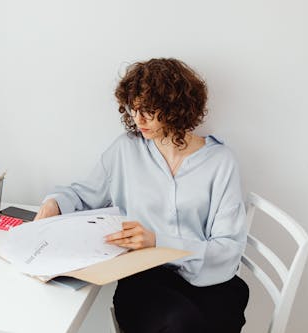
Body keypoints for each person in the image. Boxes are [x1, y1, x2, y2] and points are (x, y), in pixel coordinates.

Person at [35, 58, 249, 333]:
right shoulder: (126, 150)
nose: (139, 119)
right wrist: (54, 203)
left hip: (209, 279)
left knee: (206, 318)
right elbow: (83, 194)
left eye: (148, 110)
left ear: (176, 107)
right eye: (133, 109)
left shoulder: (220, 161)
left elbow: (228, 248)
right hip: (144, 280)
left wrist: (157, 241)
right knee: (180, 323)